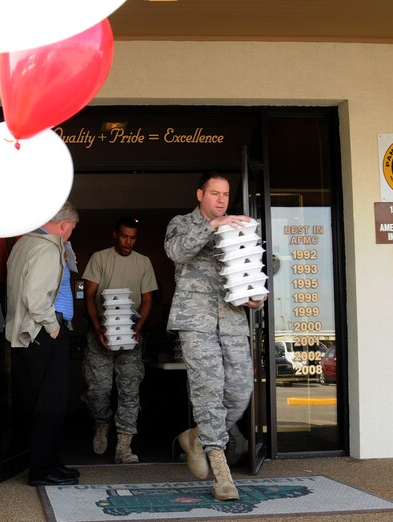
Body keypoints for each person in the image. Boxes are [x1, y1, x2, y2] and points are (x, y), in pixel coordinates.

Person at [164, 172, 266, 501]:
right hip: (196, 322)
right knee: (208, 391)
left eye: (225, 194)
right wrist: (212, 226)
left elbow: (252, 270)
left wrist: (257, 298)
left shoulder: (240, 228)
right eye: (214, 193)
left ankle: (195, 436)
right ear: (200, 194)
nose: (221, 200)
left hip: (234, 321)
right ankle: (222, 474)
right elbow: (176, 253)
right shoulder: (181, 223)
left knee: (239, 390)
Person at [6, 202, 81, 486]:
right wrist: (53, 328)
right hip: (42, 331)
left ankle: (49, 462)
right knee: (51, 403)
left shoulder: (24, 243)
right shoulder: (47, 248)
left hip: (27, 334)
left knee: (41, 402)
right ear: (64, 225)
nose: (71, 234)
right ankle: (42, 470)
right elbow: (35, 297)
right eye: (72, 229)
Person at [82, 216, 158, 463]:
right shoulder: (99, 258)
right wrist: (98, 328)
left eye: (133, 237)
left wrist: (139, 326)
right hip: (101, 334)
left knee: (129, 390)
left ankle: (124, 445)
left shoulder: (143, 262)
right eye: (124, 236)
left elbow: (147, 299)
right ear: (114, 235)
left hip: (130, 336)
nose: (128, 242)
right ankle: (102, 422)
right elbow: (90, 295)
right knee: (98, 389)